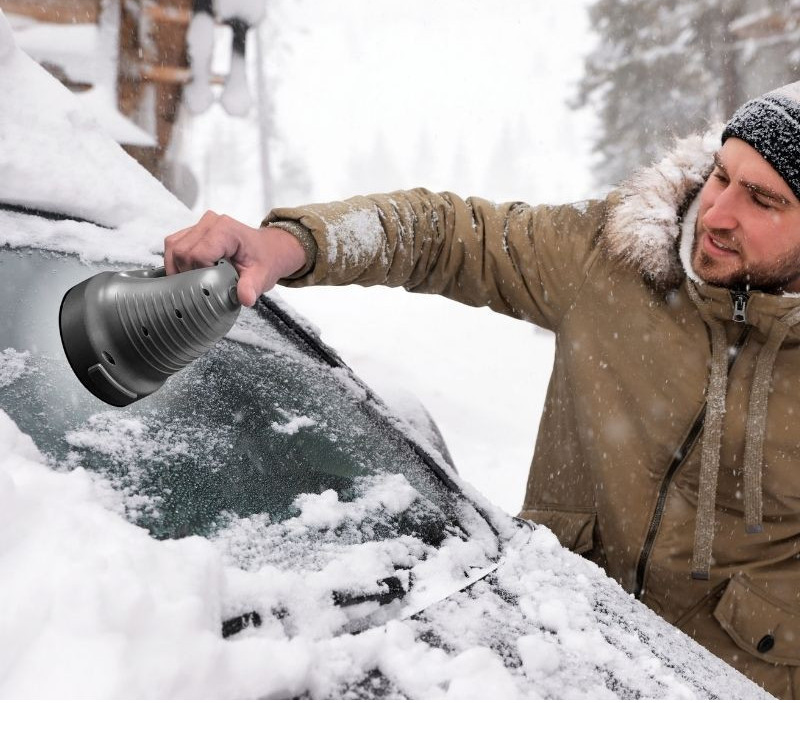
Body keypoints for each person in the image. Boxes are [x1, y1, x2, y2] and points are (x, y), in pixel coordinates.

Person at [165, 82, 800, 699]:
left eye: (762, 201)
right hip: (560, 660)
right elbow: (445, 233)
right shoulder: (616, 256)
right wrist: (292, 243)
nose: (716, 213)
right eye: (721, 176)